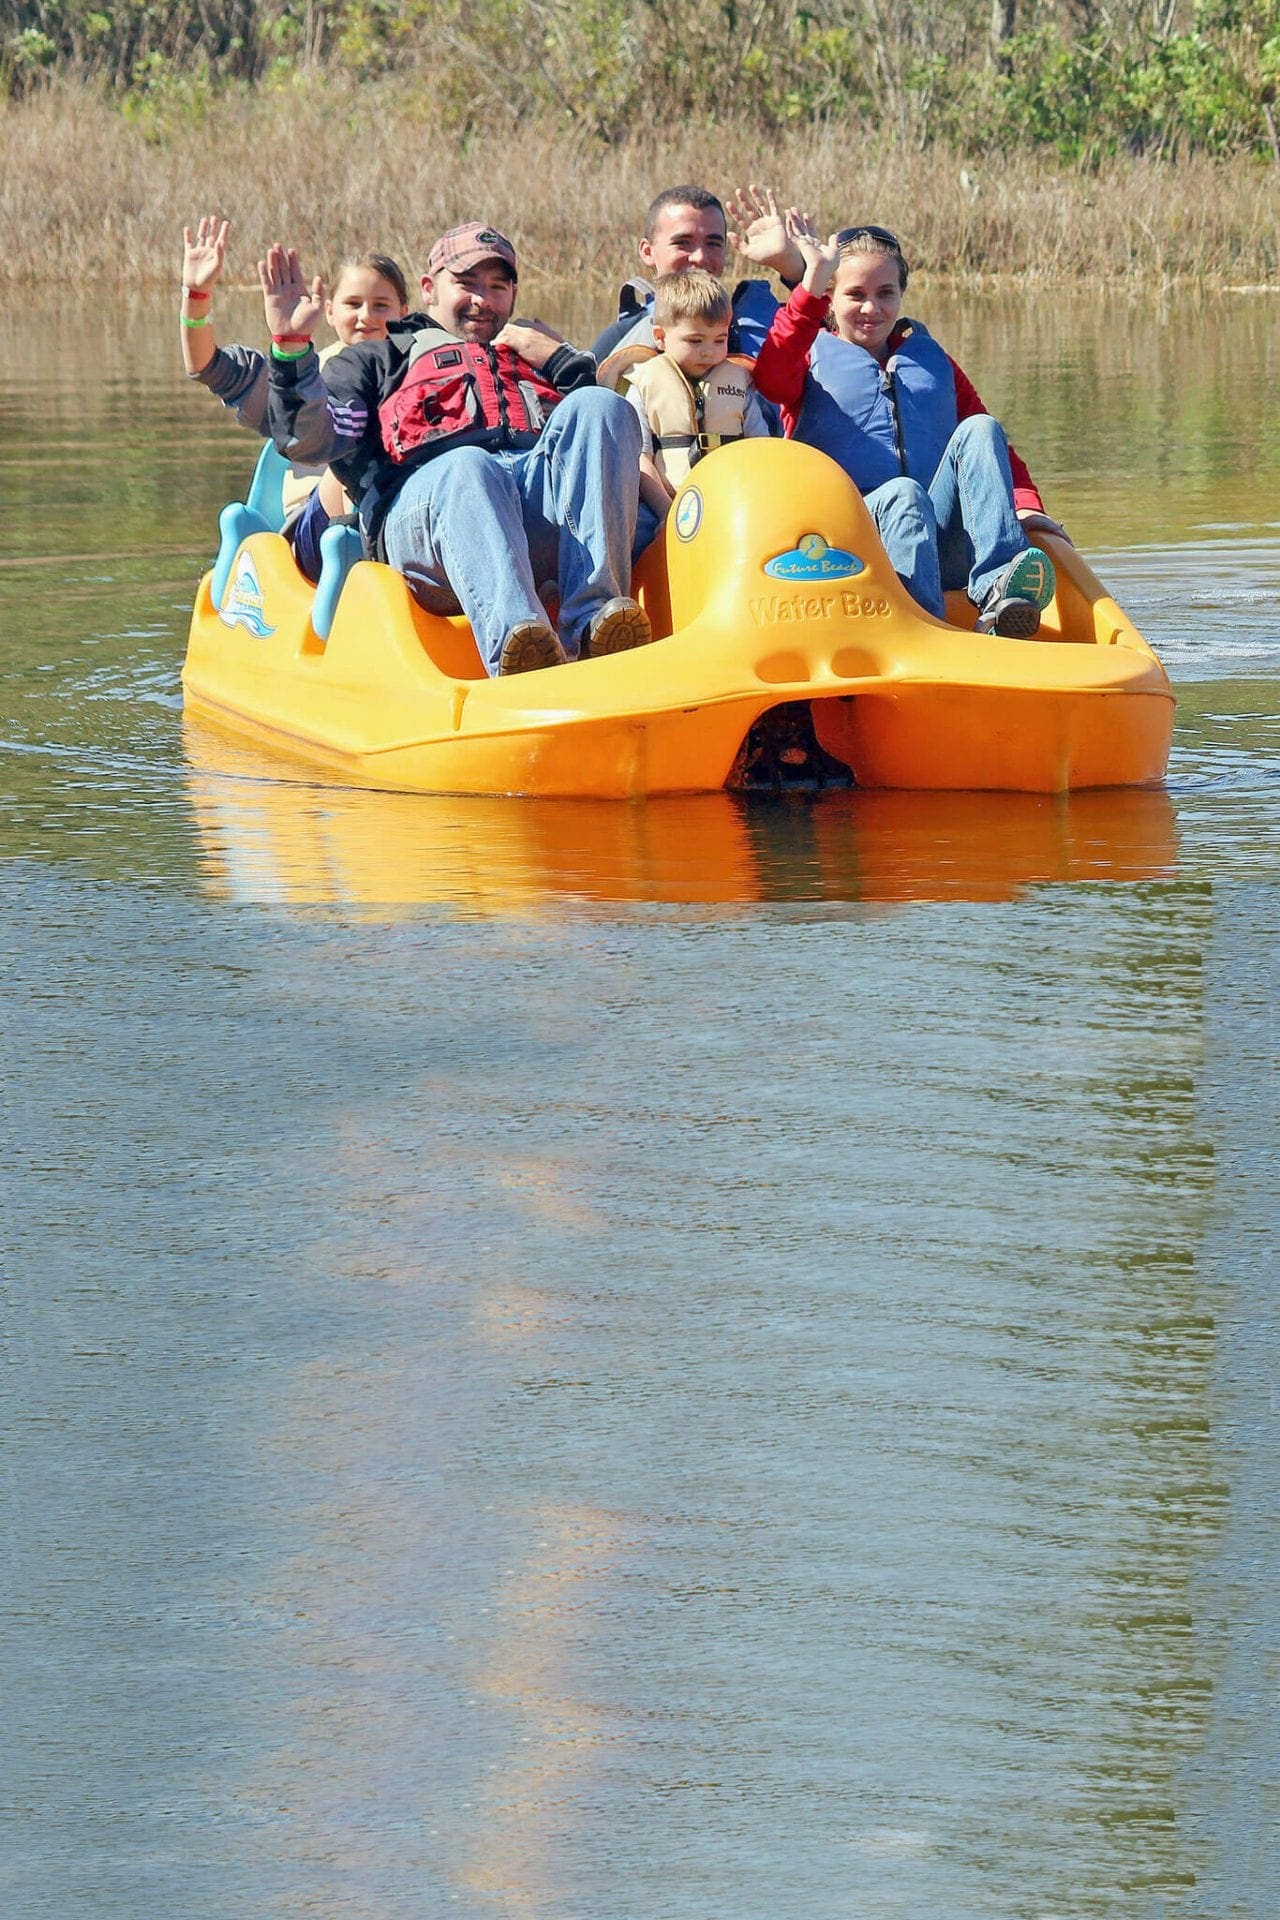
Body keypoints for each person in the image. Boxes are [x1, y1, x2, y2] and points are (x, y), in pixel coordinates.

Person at [261, 221, 649, 674]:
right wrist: (290, 353)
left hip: (536, 524)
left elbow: (605, 449)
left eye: (497, 286)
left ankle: (593, 625)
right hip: (431, 537)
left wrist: (558, 357)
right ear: (429, 288)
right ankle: (517, 647)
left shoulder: (533, 354)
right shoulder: (379, 358)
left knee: (601, 405)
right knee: (469, 465)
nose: (482, 299)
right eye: (466, 283)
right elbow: (312, 436)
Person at [752, 209, 1068, 636]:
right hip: (850, 548)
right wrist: (807, 285)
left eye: (885, 293)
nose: (871, 307)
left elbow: (991, 450)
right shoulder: (808, 356)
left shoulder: (931, 361)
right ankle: (922, 634)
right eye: (855, 294)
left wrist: (1027, 505)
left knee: (980, 429)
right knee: (903, 494)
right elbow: (769, 379)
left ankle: (999, 590)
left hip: (939, 541)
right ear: (830, 297)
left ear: (902, 294)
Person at [180, 216, 411, 578]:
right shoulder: (298, 374)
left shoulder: (420, 371)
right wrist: (196, 298)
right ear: (330, 311)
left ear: (404, 314)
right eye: (353, 303)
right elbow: (206, 365)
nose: (366, 316)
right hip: (316, 532)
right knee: (349, 465)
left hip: (397, 520)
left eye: (381, 305)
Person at [592, 184, 783, 385]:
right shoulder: (622, 337)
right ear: (648, 252)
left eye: (713, 244)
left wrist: (792, 267)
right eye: (682, 242)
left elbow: (812, 322)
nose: (700, 257)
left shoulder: (769, 325)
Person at [622, 269, 773, 522]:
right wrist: (667, 513)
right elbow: (640, 460)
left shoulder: (740, 384)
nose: (709, 352)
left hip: (732, 499)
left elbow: (761, 450)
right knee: (639, 528)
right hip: (661, 504)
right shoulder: (643, 385)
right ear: (660, 337)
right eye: (695, 341)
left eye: (719, 340)